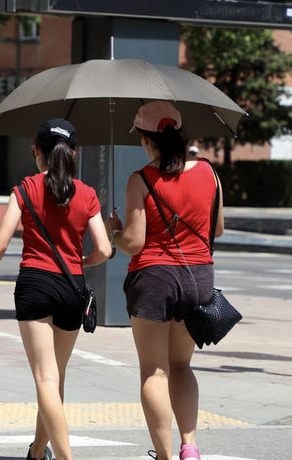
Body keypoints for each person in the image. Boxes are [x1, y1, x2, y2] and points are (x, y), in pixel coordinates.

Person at [0, 119, 112, 460]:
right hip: (72, 287)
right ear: (73, 154)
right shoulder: (87, 194)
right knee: (55, 378)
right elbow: (105, 250)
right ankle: (38, 452)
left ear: (38, 152)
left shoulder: (26, 188)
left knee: (45, 378)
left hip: (35, 284)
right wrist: (80, 260)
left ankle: (66, 457)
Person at [105, 102, 222, 460]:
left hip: (154, 279)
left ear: (146, 139)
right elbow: (217, 229)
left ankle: (165, 455)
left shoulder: (140, 180)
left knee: (153, 371)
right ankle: (190, 446)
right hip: (198, 277)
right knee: (182, 365)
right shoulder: (208, 172)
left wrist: (114, 233)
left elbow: (135, 243)